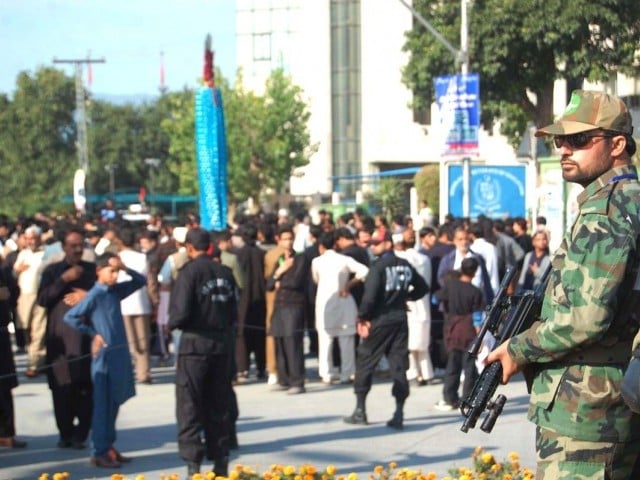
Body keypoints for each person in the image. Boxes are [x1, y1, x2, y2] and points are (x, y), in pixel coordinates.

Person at [487, 90, 640, 479]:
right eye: (560, 141)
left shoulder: (605, 213)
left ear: (618, 144)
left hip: (587, 416)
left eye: (579, 140)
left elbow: (585, 318)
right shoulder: (624, 201)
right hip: (609, 401)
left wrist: (517, 348)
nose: (565, 150)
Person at [64, 252, 146, 468]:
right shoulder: (95, 295)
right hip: (104, 357)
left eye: (117, 272)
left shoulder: (114, 292)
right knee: (103, 405)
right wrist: (94, 333)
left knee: (115, 401)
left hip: (118, 354)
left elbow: (141, 281)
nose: (115, 276)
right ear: (99, 271)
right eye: (112, 271)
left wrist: (125, 268)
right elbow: (71, 317)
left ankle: (108, 446)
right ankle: (99, 451)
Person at [343, 229, 428, 430]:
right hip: (399, 320)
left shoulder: (378, 267)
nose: (373, 247)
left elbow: (370, 298)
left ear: (388, 243)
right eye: (371, 243)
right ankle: (399, 413)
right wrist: (406, 298)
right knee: (399, 365)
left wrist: (362, 317)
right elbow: (423, 287)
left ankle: (360, 410)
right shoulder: (405, 266)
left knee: (365, 362)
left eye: (377, 243)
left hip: (379, 321)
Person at [169, 228, 237, 476]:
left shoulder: (189, 273)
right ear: (209, 246)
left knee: (189, 405)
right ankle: (220, 461)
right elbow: (232, 313)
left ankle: (193, 463)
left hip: (194, 347)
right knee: (218, 405)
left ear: (188, 247)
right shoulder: (225, 273)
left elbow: (180, 312)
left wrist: (169, 326)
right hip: (221, 346)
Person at [37, 230, 96, 449]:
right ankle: (65, 433)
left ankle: (81, 433)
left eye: (81, 245)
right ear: (63, 247)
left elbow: (105, 298)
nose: (77, 250)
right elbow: (42, 300)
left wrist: (86, 295)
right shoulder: (52, 271)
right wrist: (64, 279)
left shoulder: (92, 271)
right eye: (73, 246)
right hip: (59, 338)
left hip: (86, 338)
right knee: (61, 387)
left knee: (86, 388)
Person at [311, 231, 368, 384]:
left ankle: (326, 373)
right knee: (347, 340)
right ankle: (348, 372)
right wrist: (349, 284)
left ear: (321, 246)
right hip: (344, 300)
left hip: (325, 301)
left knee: (325, 340)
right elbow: (364, 271)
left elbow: (316, 279)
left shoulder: (316, 261)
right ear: (336, 244)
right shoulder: (345, 259)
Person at [433, 257, 485, 411]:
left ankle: (450, 398)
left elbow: (435, 299)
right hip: (468, 330)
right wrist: (479, 337)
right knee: (469, 366)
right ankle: (468, 399)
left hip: (453, 328)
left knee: (452, 365)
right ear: (475, 272)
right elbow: (477, 318)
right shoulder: (475, 291)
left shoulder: (451, 286)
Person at [266, 224, 309, 394]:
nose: (288, 242)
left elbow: (296, 282)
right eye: (285, 239)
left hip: (294, 305)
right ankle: (283, 378)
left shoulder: (300, 259)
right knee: (279, 341)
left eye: (290, 238)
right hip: (279, 306)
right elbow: (269, 284)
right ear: (278, 240)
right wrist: (279, 272)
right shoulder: (280, 261)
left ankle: (297, 381)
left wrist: (280, 283)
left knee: (293, 343)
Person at [0, 258, 26, 448]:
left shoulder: (3, 269)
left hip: (1, 333)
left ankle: (6, 433)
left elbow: (13, 292)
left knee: (5, 385)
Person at [14, 224, 47, 377]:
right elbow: (14, 274)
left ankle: (35, 364)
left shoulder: (45, 253)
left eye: (34, 238)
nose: (31, 241)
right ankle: (34, 358)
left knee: (38, 330)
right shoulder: (22, 254)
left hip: (40, 295)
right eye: (28, 239)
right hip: (24, 296)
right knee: (26, 329)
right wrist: (18, 270)